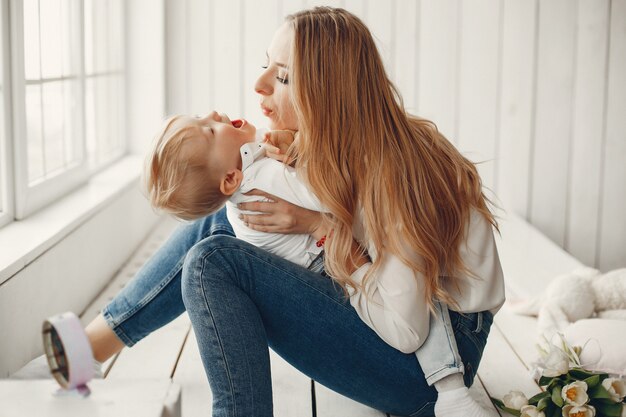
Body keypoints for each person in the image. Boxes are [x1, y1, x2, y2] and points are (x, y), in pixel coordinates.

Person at [55, 6, 504, 417]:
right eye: (265, 65)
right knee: (233, 208)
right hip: (400, 319)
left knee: (212, 262)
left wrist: (323, 228)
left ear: (329, 92)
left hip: (426, 369)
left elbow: (407, 330)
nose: (260, 85)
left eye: (284, 77)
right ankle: (91, 347)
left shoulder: (396, 176)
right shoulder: (349, 145)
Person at [144, 112, 324, 268]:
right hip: (321, 264)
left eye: (199, 117)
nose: (213, 114)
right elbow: (329, 197)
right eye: (211, 130)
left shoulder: (245, 173)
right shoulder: (260, 179)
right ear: (230, 178)